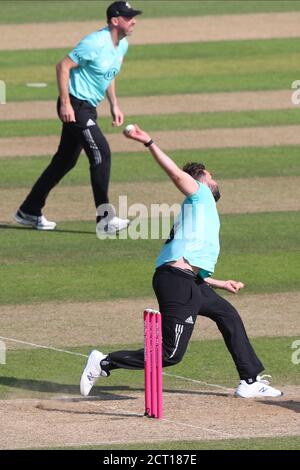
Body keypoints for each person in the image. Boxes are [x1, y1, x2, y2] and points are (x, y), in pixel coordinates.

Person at [80, 124, 283, 399]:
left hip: (188, 280)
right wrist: (148, 141)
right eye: (211, 177)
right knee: (170, 353)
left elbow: (185, 260)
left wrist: (220, 282)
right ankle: (105, 362)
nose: (215, 181)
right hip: (178, 282)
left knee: (228, 316)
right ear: (200, 180)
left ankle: (249, 380)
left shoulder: (199, 211)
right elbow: (176, 175)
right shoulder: (199, 193)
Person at [15, 2, 142, 234]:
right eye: (129, 17)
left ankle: (29, 210)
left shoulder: (121, 45)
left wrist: (114, 104)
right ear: (115, 20)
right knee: (101, 153)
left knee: (64, 160)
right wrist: (65, 103)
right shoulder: (95, 42)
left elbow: (108, 74)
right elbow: (62, 67)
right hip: (74, 105)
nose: (133, 20)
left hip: (88, 107)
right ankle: (105, 219)